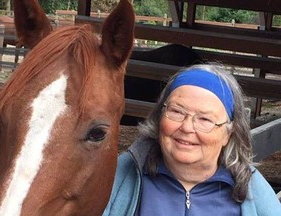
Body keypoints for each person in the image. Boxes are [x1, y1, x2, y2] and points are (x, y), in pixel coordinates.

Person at [103, 64, 281, 216]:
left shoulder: (253, 190)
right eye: (177, 112)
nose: (187, 127)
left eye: (205, 119)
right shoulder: (119, 176)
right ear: (160, 117)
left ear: (228, 134)